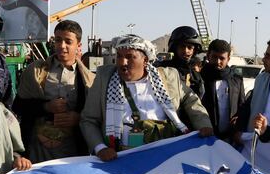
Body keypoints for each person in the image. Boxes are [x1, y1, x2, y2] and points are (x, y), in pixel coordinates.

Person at [80, 34, 213, 162]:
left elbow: (191, 99)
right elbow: (88, 120)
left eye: (130, 57)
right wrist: (100, 148)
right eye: (119, 56)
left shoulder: (167, 77)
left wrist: (203, 125)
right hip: (120, 157)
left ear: (145, 60)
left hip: (163, 157)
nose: (122, 62)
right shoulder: (105, 78)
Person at [14, 20, 94, 162]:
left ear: (78, 45)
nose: (62, 46)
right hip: (36, 152)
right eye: (58, 40)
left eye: (68, 41)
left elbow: (96, 117)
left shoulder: (89, 79)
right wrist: (45, 107)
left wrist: (79, 118)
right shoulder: (34, 71)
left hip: (72, 154)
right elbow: (18, 107)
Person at [199, 39, 246, 141]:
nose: (218, 61)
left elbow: (242, 106)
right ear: (208, 56)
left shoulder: (237, 80)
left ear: (228, 59)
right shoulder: (200, 79)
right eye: (214, 57)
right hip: (205, 136)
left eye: (222, 58)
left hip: (230, 138)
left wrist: (239, 118)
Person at [156, 25, 205, 97]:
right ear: (175, 48)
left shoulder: (195, 76)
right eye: (182, 46)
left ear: (194, 50)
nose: (186, 51)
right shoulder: (164, 70)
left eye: (189, 47)